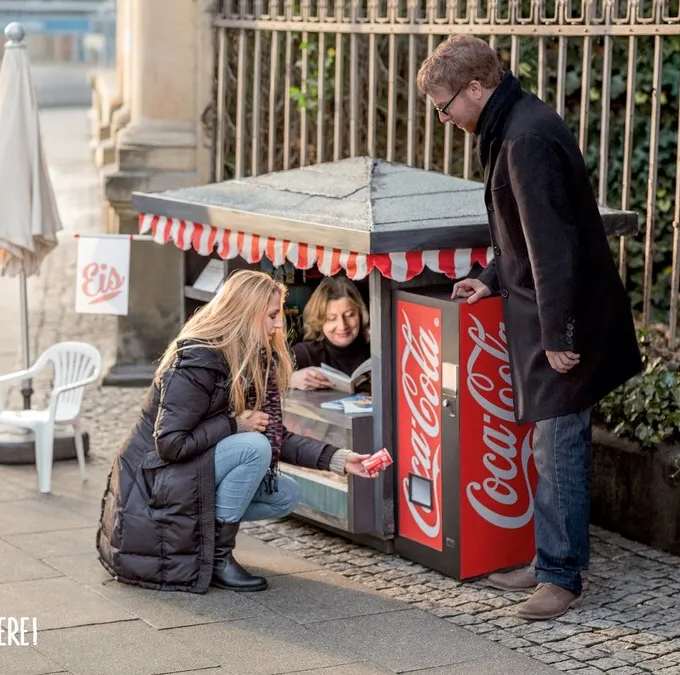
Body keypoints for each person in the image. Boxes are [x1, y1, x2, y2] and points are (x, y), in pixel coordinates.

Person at [417, 36, 642, 620]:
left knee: (558, 445)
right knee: (549, 443)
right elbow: (519, 232)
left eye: (444, 107)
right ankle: (550, 563)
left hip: (563, 321)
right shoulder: (513, 124)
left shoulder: (524, 138)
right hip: (550, 314)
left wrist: (560, 335)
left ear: (475, 88)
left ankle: (561, 577)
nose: (444, 120)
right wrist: (489, 279)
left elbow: (553, 246)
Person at [97, 270, 377, 593]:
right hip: (152, 486)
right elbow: (170, 445)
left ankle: (204, 540)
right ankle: (218, 557)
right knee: (253, 447)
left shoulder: (249, 358)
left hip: (184, 474)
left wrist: (339, 459)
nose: (278, 325)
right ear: (246, 313)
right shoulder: (196, 361)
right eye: (272, 315)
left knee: (285, 494)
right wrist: (235, 424)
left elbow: (275, 435)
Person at [290, 275, 371, 391]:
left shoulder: (375, 351)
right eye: (331, 318)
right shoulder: (305, 354)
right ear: (318, 320)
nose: (342, 326)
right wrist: (289, 380)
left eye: (349, 315)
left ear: (361, 314)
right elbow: (264, 380)